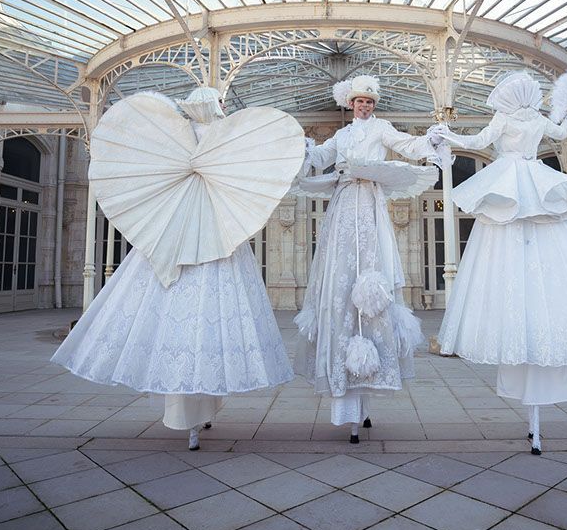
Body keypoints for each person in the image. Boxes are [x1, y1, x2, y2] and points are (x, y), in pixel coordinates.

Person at [52, 87, 296, 451]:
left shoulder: (211, 137)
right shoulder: (200, 138)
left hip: (209, 236)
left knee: (198, 329)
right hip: (195, 236)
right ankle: (192, 415)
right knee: (193, 329)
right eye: (218, 104)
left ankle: (199, 411)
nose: (222, 109)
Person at [432, 70, 567, 454]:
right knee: (547, 253)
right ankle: (534, 419)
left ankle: (532, 410)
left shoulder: (506, 118)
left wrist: (447, 135)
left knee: (505, 254)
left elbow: (479, 141)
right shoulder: (535, 118)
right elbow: (561, 131)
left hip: (511, 183)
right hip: (534, 181)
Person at [294, 74, 444, 443]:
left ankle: (365, 395)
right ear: (350, 104)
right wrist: (301, 147)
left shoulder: (381, 128)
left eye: (370, 102)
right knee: (341, 278)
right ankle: (346, 397)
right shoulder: (342, 136)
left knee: (370, 279)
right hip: (343, 205)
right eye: (361, 101)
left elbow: (406, 144)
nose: (365, 106)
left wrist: (430, 140)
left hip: (369, 206)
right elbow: (320, 158)